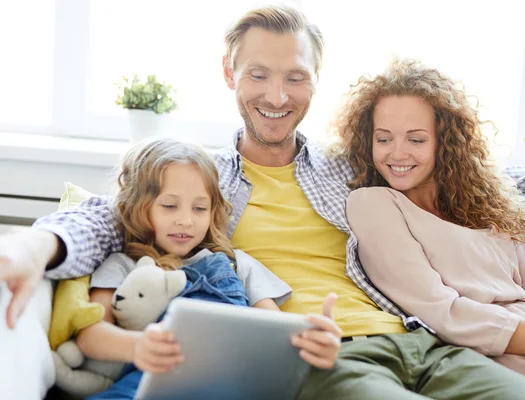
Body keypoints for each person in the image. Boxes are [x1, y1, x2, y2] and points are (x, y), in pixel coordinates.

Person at [0, 4, 525, 399]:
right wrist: (32, 246)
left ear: (316, 79)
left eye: (296, 77)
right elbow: (107, 214)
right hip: (320, 355)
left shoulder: (350, 170)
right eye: (259, 75)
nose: (278, 96)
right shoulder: (201, 181)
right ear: (229, 75)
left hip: (423, 340)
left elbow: (481, 175)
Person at [338, 59, 525, 399]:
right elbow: (442, 312)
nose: (397, 153)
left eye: (416, 140)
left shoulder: (485, 203)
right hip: (498, 352)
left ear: (445, 142)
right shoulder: (372, 204)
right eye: (384, 138)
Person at [73, 138, 341, 399]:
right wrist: (138, 346)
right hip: (150, 383)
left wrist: (317, 344)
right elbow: (91, 336)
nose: (186, 220)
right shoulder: (122, 264)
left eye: (200, 208)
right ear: (136, 206)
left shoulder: (236, 264)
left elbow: (278, 334)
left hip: (232, 386)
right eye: (169, 206)